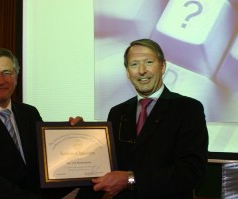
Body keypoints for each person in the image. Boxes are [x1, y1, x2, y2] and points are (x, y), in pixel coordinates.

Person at [75, 39, 208, 199]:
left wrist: (131, 179)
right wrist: (81, 134)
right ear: (127, 72)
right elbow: (106, 164)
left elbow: (191, 172)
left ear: (163, 66)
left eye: (149, 62)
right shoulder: (118, 112)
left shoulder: (188, 109)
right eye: (134, 64)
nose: (142, 71)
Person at [0, 47, 82, 199]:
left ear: (16, 78)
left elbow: (47, 158)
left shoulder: (30, 113)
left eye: (7, 73)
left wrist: (76, 134)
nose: (1, 81)